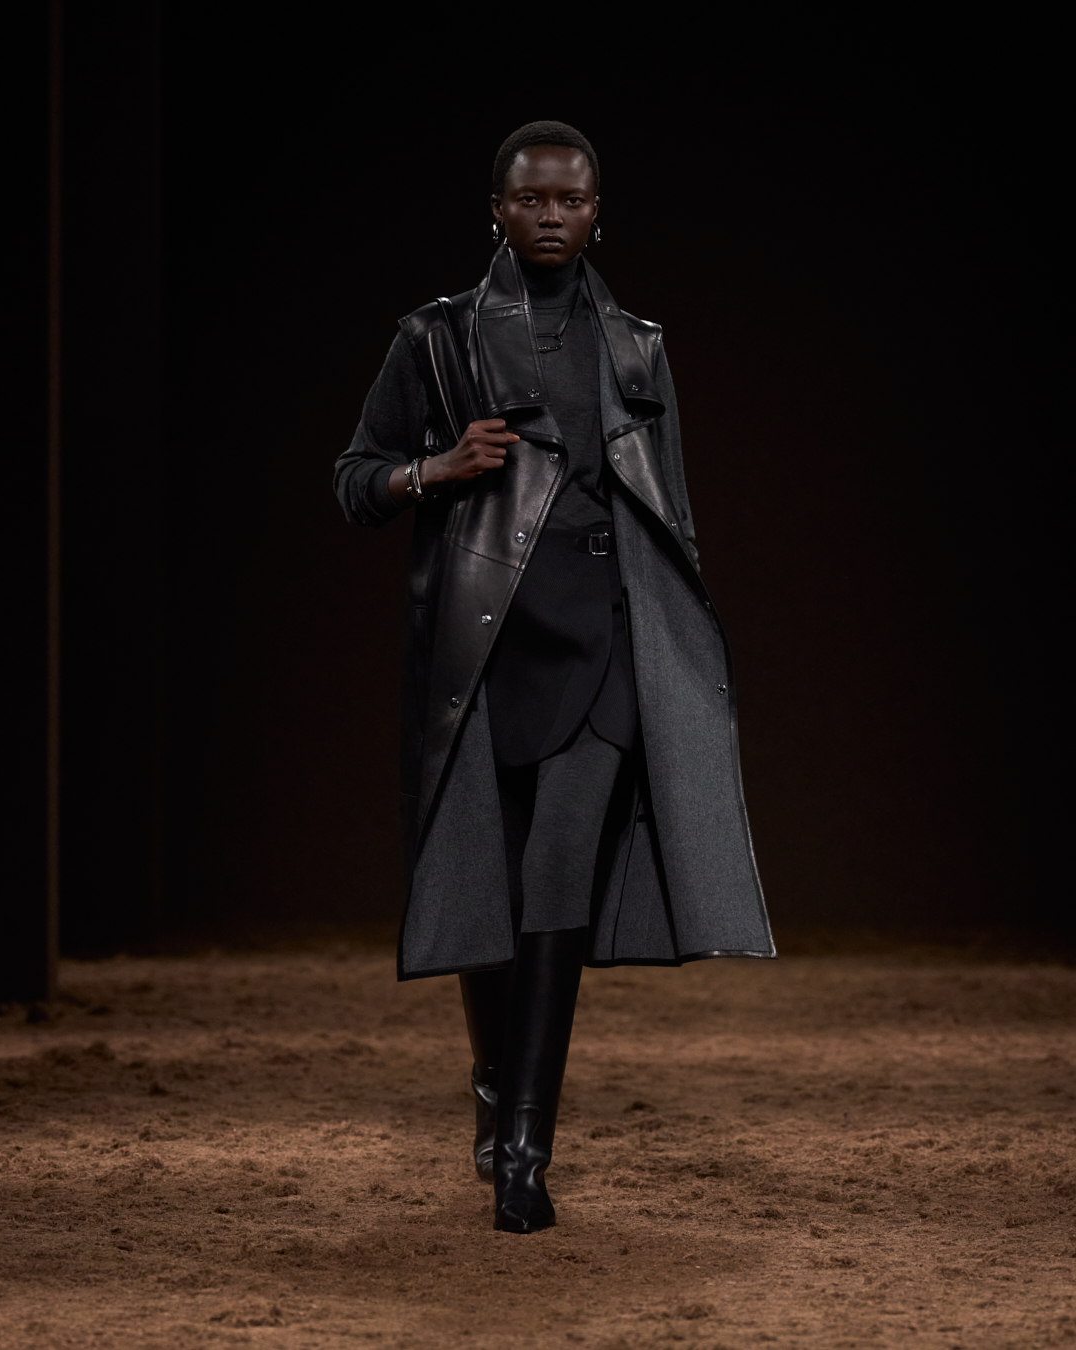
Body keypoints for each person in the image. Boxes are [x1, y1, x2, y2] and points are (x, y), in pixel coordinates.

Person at [334, 121, 774, 1235]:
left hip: (604, 641)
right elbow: (352, 478)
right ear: (496, 209)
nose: (550, 215)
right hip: (485, 649)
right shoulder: (435, 337)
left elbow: (673, 512)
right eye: (530, 198)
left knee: (559, 881)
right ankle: (494, 1097)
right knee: (489, 887)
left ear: (595, 216)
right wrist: (435, 470)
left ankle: (525, 1151)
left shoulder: (637, 345)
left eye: (570, 200)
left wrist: (679, 647)